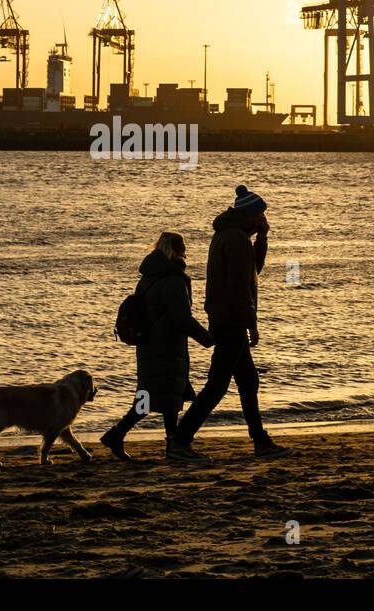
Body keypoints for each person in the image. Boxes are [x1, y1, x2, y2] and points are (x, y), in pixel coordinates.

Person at [169, 185, 288, 459]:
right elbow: (239, 286)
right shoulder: (235, 239)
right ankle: (181, 439)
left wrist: (262, 240)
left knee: (248, 381)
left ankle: (260, 441)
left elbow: (251, 271)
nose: (263, 220)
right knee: (218, 385)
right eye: (261, 216)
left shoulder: (231, 236)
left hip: (225, 318)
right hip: (231, 320)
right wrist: (252, 323)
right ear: (250, 216)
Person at [100, 232, 214, 462]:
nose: (186, 252)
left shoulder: (148, 278)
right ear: (175, 250)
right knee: (163, 396)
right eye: (183, 247)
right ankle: (125, 435)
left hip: (149, 345)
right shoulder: (173, 280)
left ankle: (165, 443)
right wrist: (207, 338)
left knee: (162, 396)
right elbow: (181, 318)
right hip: (167, 345)